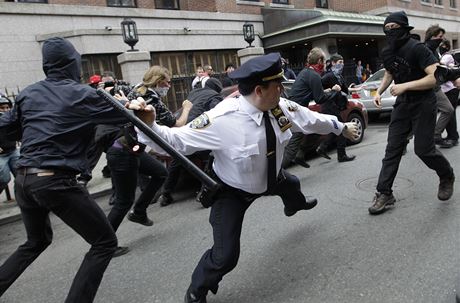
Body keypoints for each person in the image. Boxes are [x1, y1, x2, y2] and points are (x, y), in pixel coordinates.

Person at [135, 52, 359, 303]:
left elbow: (311, 119)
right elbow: (175, 141)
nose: (282, 89)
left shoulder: (279, 107)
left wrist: (341, 127)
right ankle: (196, 290)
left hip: (272, 177)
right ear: (259, 90)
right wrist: (150, 126)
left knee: (292, 186)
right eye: (278, 85)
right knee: (225, 256)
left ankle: (293, 204)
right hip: (233, 190)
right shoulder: (222, 119)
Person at [0, 37, 143, 302]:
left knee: (35, 241)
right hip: (55, 181)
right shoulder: (82, 94)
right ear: (71, 64)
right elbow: (125, 117)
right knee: (105, 243)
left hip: (23, 179)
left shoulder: (28, 93)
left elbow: (5, 127)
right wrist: (128, 102)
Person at [368, 11, 455, 215]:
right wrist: (378, 92)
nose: (390, 31)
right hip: (403, 105)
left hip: (424, 101)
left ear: (404, 28)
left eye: (394, 28)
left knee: (423, 149)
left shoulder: (417, 48)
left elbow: (435, 78)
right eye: (386, 28)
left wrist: (405, 86)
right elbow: (390, 72)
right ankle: (384, 193)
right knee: (392, 150)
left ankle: (446, 175)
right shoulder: (387, 52)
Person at [121, 66, 192, 216]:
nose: (169, 86)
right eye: (167, 82)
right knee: (170, 162)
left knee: (147, 171)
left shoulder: (136, 89)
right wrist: (186, 108)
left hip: (132, 138)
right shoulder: (152, 99)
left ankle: (140, 206)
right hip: (147, 140)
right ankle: (145, 204)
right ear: (158, 82)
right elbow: (177, 123)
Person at [157, 78, 224, 207]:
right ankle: (204, 191)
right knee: (209, 158)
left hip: (183, 130)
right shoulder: (215, 96)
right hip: (199, 132)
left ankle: (165, 194)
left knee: (177, 162)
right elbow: (216, 114)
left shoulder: (193, 93)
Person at [282, 47, 339, 168]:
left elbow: (313, 92)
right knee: (292, 146)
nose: (325, 64)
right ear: (319, 61)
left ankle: (300, 155)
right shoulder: (314, 75)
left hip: (295, 109)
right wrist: (333, 91)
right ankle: (277, 175)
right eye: (324, 61)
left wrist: (327, 91)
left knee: (315, 128)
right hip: (295, 112)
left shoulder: (306, 72)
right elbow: (320, 99)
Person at [319, 53, 356, 162]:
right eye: (340, 62)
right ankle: (341, 155)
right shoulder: (328, 76)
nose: (342, 64)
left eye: (343, 62)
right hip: (328, 106)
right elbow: (318, 88)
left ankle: (323, 147)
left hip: (335, 106)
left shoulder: (339, 76)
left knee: (336, 128)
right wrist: (329, 90)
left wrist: (355, 89)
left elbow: (345, 90)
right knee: (341, 128)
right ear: (333, 63)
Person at [424, 25, 455, 148]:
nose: (441, 40)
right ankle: (403, 141)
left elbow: (438, 66)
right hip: (427, 87)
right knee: (421, 116)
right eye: (439, 37)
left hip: (435, 87)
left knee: (447, 110)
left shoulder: (434, 49)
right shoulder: (425, 49)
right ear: (432, 35)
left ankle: (436, 135)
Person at [439, 40, 459, 147]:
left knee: (450, 114)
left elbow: (440, 65)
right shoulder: (442, 55)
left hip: (451, 90)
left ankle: (453, 137)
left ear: (447, 47)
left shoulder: (447, 56)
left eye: (443, 45)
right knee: (447, 113)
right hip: (445, 90)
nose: (441, 47)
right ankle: (451, 136)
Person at [0, 94, 19, 196]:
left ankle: (21, 198)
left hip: (13, 151)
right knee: (3, 178)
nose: (5, 110)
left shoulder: (11, 119)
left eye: (7, 107)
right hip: (1, 155)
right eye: (2, 108)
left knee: (22, 176)